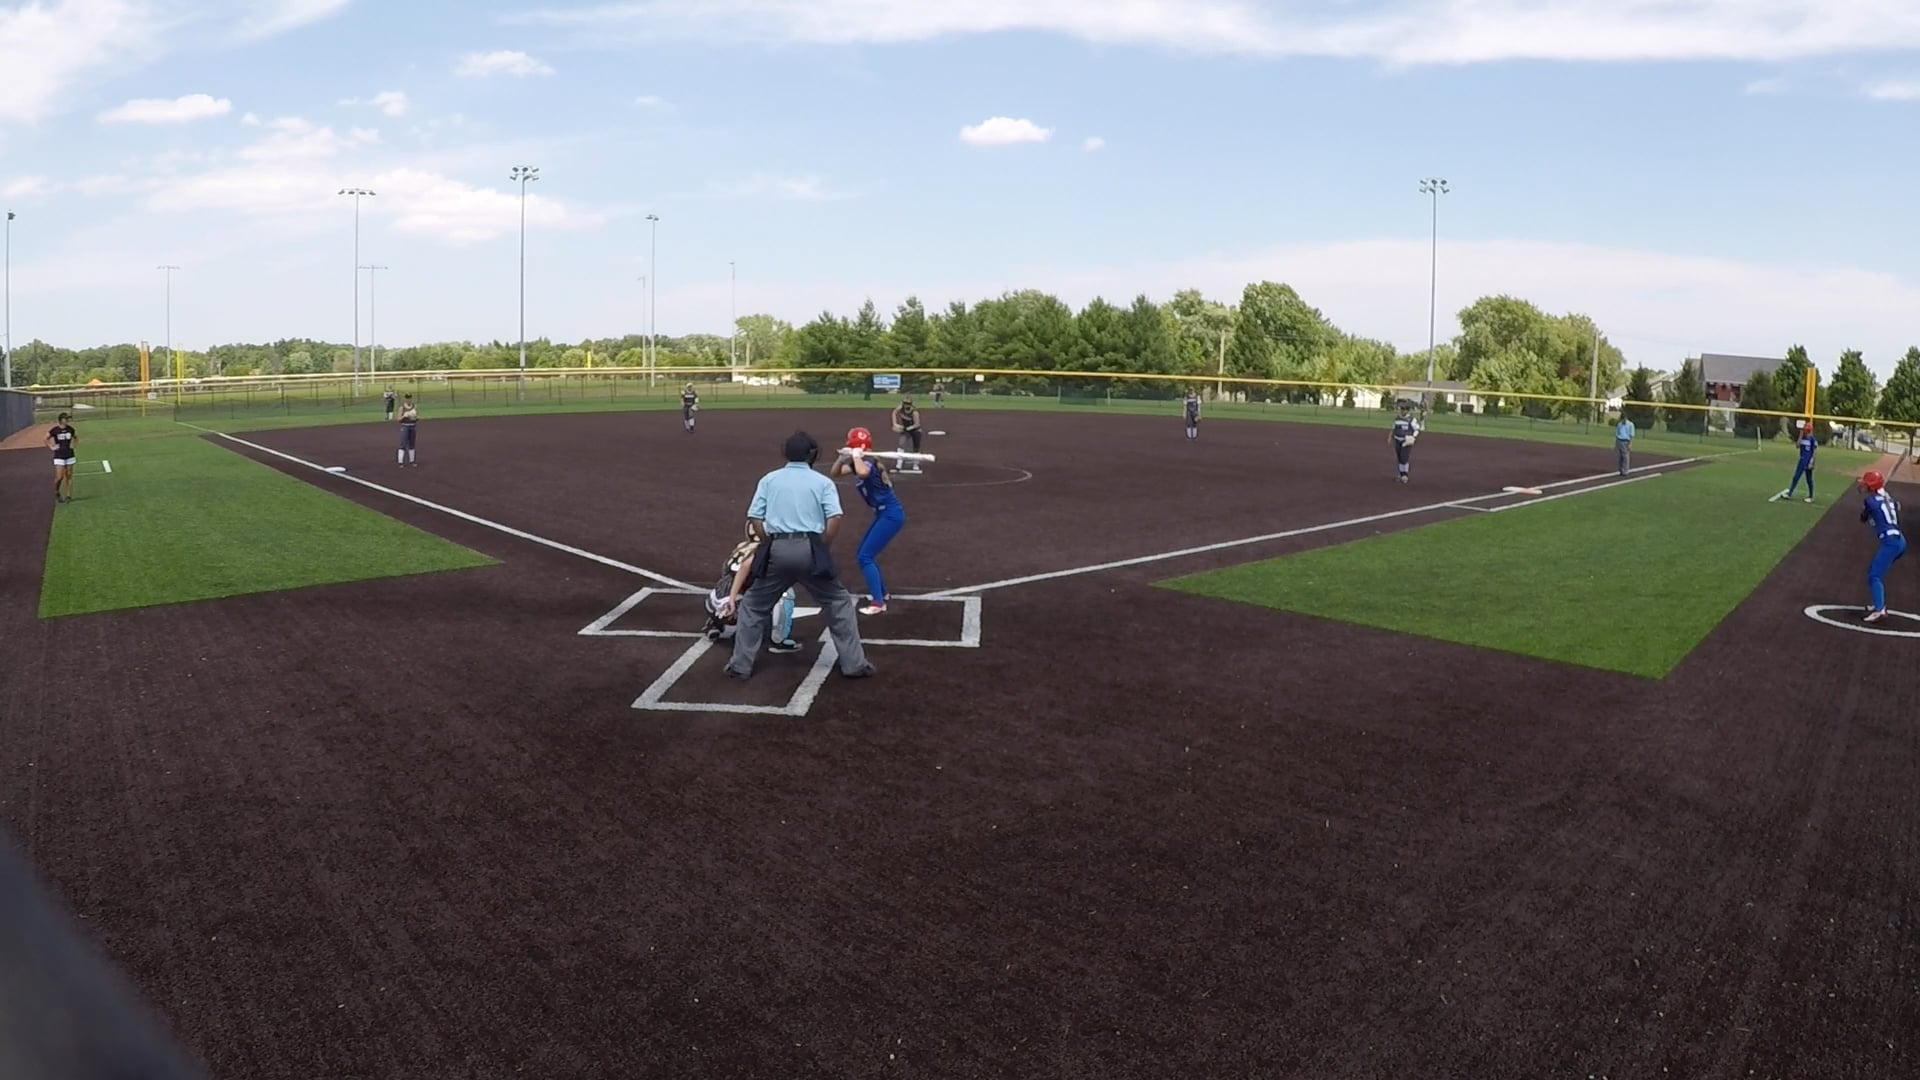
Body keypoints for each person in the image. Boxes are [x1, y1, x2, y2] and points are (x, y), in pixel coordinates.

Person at [724, 431, 875, 681]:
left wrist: (767, 542)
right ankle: (854, 665)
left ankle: (740, 665)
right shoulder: (822, 482)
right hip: (810, 548)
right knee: (838, 603)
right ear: (811, 454)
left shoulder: (770, 479)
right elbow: (835, 518)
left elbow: (755, 517)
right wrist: (822, 545)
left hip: (777, 548)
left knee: (753, 605)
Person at [830, 427, 905, 615]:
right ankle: (883, 593)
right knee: (865, 554)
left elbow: (863, 473)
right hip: (884, 514)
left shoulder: (868, 462)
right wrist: (842, 458)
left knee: (865, 556)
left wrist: (856, 456)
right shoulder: (862, 461)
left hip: (890, 514)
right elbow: (835, 473)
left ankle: (878, 603)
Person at [703, 525, 800, 652]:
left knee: (735, 586)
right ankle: (778, 640)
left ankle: (713, 624)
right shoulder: (764, 552)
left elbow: (726, 571)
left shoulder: (742, 546)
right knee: (786, 594)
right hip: (733, 610)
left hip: (712, 602)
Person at [1859, 470, 1905, 622]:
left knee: (1874, 575)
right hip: (1900, 541)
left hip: (1890, 543)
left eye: (1866, 484)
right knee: (1875, 572)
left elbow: (1863, 518)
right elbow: (1897, 506)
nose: (1864, 486)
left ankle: (1880, 610)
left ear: (1872, 487)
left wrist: (1868, 508)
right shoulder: (1890, 499)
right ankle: (1877, 602)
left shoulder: (1870, 502)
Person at [1783, 421, 1817, 503]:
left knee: (1809, 479)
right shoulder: (1802, 438)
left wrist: (1812, 462)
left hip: (1808, 461)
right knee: (1796, 477)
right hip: (1802, 460)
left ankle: (1811, 496)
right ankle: (1790, 493)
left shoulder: (1812, 439)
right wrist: (1800, 436)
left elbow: (1814, 451)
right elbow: (1797, 446)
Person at [47, 412, 77, 504]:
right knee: (60, 476)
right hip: (59, 455)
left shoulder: (71, 429)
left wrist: (73, 445)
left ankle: (68, 496)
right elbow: (46, 438)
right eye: (66, 418)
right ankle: (56, 491)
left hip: (69, 455)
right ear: (61, 420)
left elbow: (75, 437)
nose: (67, 420)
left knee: (69, 475)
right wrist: (51, 447)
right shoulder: (55, 430)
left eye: (68, 418)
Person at [1389, 401, 1420, 484]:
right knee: (1399, 457)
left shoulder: (1411, 420)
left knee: (1404, 457)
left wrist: (1413, 436)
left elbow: (1417, 429)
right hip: (1397, 440)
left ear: (1408, 411)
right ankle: (1401, 474)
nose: (1403, 411)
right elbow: (1394, 428)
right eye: (1402, 409)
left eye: (1404, 409)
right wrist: (1390, 437)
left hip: (1406, 441)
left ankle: (1405, 475)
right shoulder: (1397, 419)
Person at [892, 395, 924, 473]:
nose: (907, 405)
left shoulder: (914, 412)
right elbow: (894, 412)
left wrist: (907, 428)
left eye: (908, 404)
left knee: (916, 448)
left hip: (915, 430)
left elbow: (917, 424)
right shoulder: (901, 408)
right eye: (905, 403)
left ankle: (915, 464)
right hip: (906, 429)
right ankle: (899, 464)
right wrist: (894, 424)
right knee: (901, 445)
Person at [397, 394, 419, 467]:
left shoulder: (414, 406)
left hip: (412, 426)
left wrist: (414, 417)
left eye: (409, 398)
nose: (408, 400)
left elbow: (418, 417)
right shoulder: (402, 407)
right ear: (405, 399)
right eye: (407, 398)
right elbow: (398, 419)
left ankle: (412, 461)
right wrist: (404, 416)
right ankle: (400, 462)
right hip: (405, 427)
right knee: (403, 444)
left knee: (412, 444)